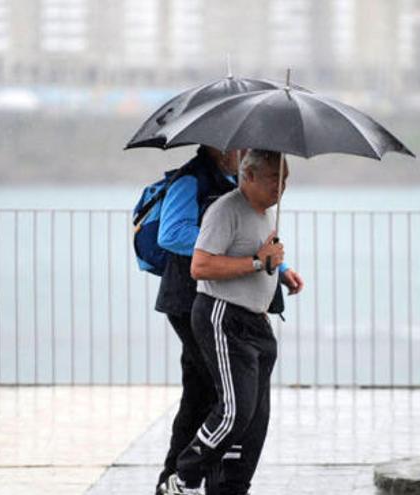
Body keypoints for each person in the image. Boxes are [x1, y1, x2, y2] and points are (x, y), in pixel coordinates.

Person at [162, 149, 304, 495]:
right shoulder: (225, 209)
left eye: (285, 179)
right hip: (224, 316)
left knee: (255, 421)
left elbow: (259, 256)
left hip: (256, 321)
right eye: (274, 179)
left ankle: (232, 488)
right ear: (249, 176)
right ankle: (182, 478)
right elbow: (201, 267)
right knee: (234, 413)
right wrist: (258, 262)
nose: (281, 187)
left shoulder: (264, 213)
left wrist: (280, 270)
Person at [153, 144, 239, 495]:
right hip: (186, 300)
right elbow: (170, 234)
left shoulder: (230, 180)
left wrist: (280, 269)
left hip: (211, 298)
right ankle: (180, 474)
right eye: (240, 147)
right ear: (221, 149)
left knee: (202, 388)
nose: (245, 152)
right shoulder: (189, 180)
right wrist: (217, 246)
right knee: (210, 388)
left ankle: (178, 476)